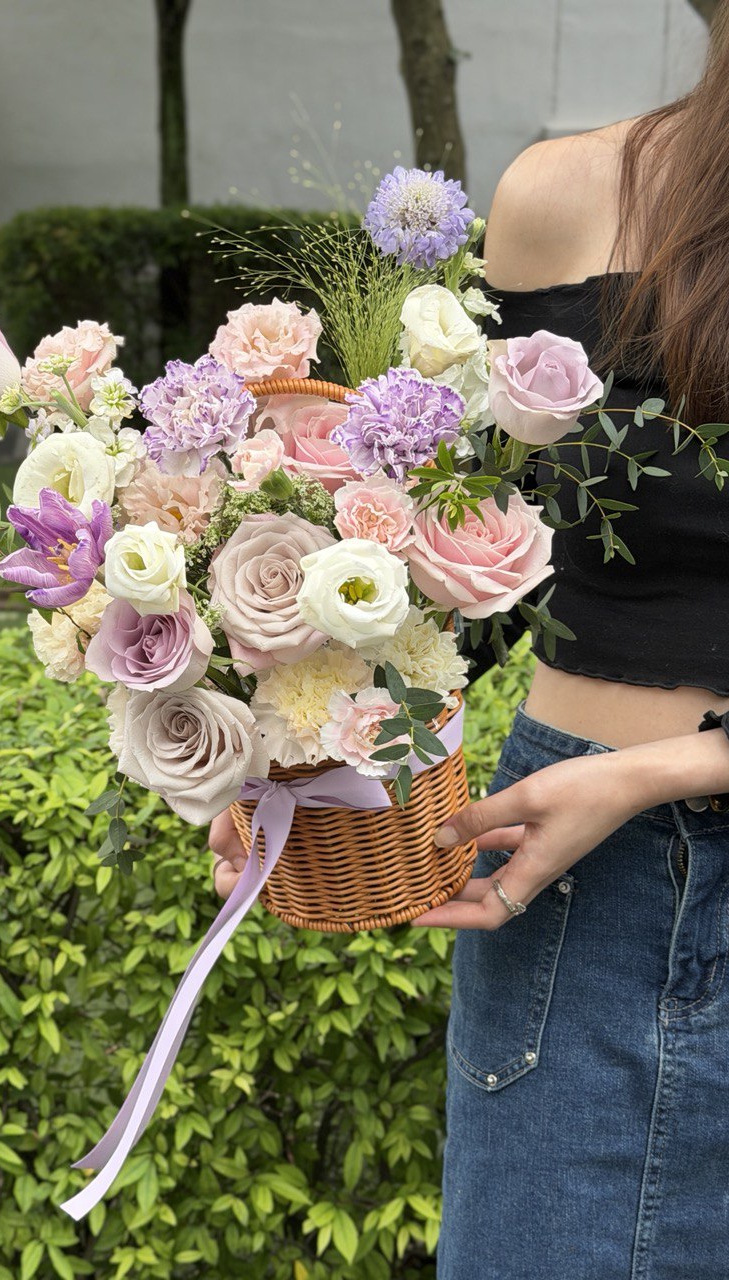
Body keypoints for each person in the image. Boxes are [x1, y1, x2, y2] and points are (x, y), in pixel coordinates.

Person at [209, 8, 729, 1276]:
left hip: (597, 812)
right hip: (589, 908)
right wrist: (295, 736)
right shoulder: (568, 196)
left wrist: (659, 772)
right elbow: (477, 568)